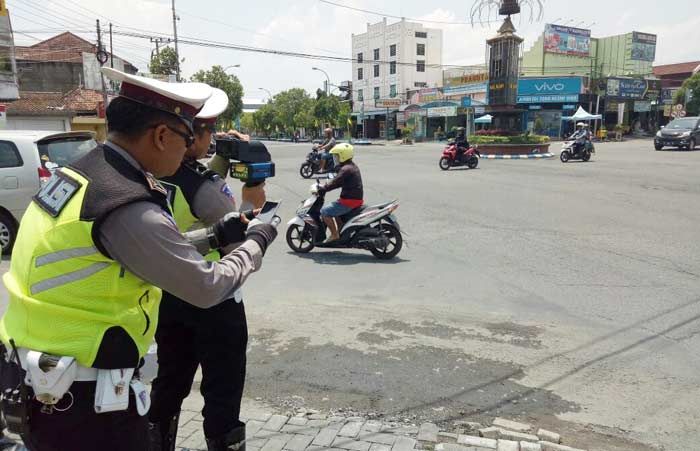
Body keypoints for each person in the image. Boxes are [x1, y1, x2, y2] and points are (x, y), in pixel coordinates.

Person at [0, 68, 278, 451]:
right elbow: (207, 286)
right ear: (161, 136)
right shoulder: (125, 200)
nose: (189, 150)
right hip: (84, 404)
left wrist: (215, 235)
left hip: (37, 380)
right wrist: (256, 242)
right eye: (186, 136)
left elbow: (129, 251)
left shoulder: (80, 177)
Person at [148, 88, 256, 451]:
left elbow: (192, 181)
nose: (214, 138)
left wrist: (220, 161)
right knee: (222, 393)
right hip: (214, 300)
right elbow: (240, 228)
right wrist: (253, 179)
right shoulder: (207, 188)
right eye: (211, 132)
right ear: (193, 135)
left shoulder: (152, 172)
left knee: (169, 383)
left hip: (169, 293)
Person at [315, 143, 363, 243]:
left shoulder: (346, 169)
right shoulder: (350, 166)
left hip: (349, 201)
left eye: (337, 156)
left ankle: (334, 234)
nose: (335, 158)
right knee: (334, 208)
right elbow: (339, 179)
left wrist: (323, 189)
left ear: (343, 155)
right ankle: (340, 229)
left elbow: (336, 183)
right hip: (353, 199)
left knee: (324, 211)